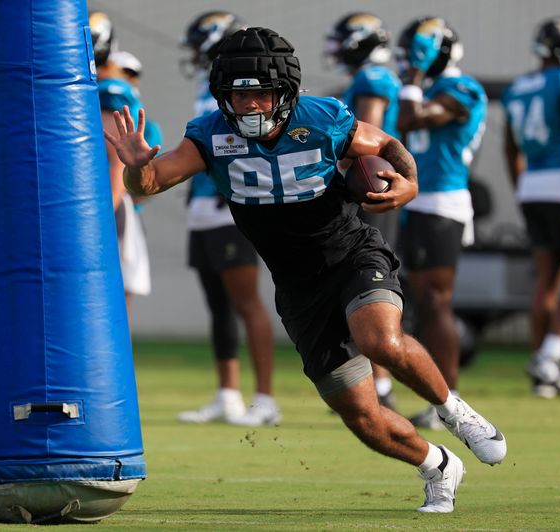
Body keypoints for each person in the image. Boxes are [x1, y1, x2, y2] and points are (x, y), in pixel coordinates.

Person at [105, 27, 506, 512]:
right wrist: (134, 165)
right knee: (361, 416)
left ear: (284, 93)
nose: (249, 105)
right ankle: (438, 465)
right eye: (239, 94)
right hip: (297, 287)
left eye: (260, 94)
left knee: (380, 339)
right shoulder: (210, 134)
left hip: (352, 254)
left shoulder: (321, 118)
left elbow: (387, 142)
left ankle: (454, 411)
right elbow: (150, 182)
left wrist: (410, 183)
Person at [175, 12, 280, 427]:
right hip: (202, 205)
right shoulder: (210, 86)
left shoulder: (244, 88)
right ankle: (227, 394)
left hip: (230, 204)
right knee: (218, 305)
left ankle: (267, 399)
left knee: (246, 301)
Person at [395, 17, 487, 429]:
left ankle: (450, 400)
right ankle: (439, 398)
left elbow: (415, 119)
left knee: (436, 301)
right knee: (419, 302)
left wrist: (414, 76)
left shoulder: (461, 89)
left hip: (444, 203)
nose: (410, 62)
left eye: (417, 53)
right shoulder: (427, 89)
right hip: (417, 203)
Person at [502, 17, 560, 399]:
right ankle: (550, 356)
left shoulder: (518, 87)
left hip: (532, 187)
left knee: (547, 279)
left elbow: (510, 148)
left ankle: (543, 373)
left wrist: (523, 185)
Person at [325, 12, 402, 410]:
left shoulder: (372, 78)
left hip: (369, 189)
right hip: (366, 189)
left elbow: (367, 135)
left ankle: (383, 385)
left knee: (364, 283)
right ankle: (378, 383)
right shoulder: (366, 78)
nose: (337, 49)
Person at [90, 12, 151, 318]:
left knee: (107, 298)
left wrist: (96, 214)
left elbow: (116, 163)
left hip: (106, 202)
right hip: (104, 199)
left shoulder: (109, 91)